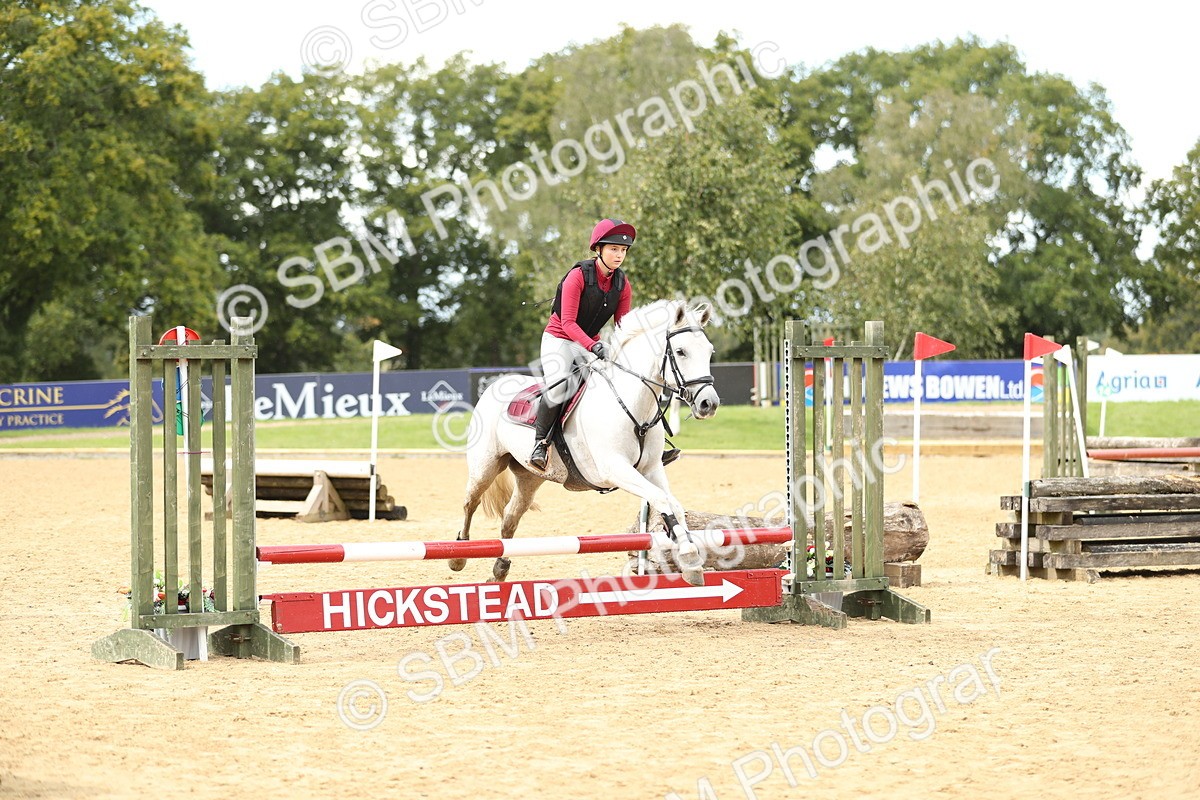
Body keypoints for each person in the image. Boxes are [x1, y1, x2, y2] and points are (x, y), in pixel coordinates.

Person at [529, 218, 636, 471]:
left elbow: (622, 326)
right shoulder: (577, 276)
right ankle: (541, 443)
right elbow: (567, 323)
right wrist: (594, 347)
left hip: (589, 343)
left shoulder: (622, 284)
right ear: (598, 249)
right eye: (613, 249)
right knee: (558, 387)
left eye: (623, 250)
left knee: (620, 384)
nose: (619, 255)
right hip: (560, 339)